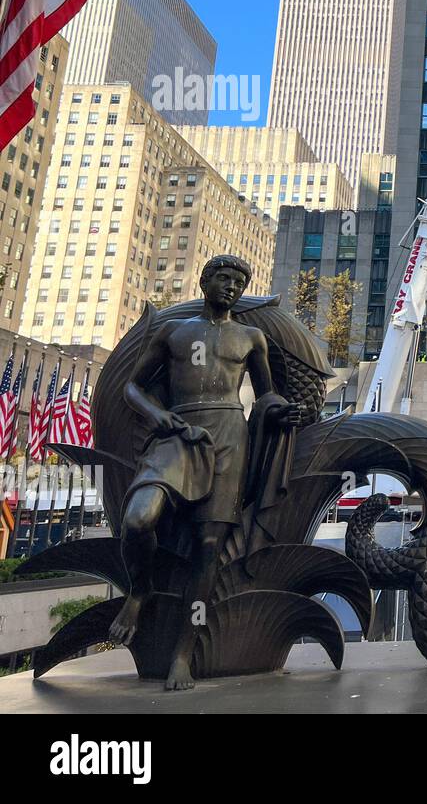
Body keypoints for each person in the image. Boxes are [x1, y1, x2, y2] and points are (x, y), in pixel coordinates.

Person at [107, 255, 304, 690]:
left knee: (209, 546)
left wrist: (281, 411)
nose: (231, 286)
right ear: (204, 280)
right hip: (177, 434)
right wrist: (158, 417)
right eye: (223, 277)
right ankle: (140, 590)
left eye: (239, 281)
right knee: (139, 519)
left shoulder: (252, 337)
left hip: (230, 437)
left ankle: (183, 653)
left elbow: (266, 395)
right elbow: (132, 386)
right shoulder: (173, 333)